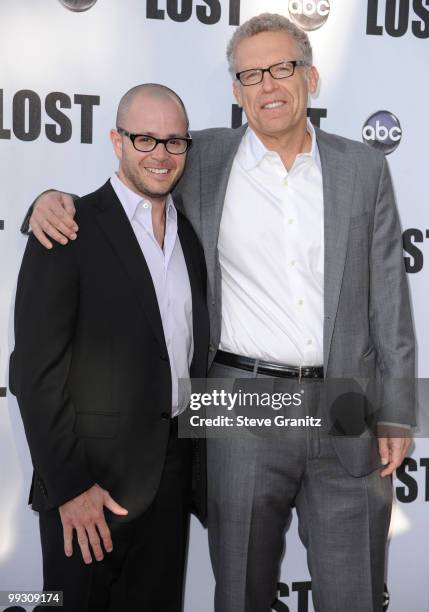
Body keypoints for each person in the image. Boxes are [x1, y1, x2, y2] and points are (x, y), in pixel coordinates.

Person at [23, 13, 415, 612]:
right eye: (251, 74)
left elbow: (390, 293)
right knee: (238, 591)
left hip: (345, 400)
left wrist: (398, 411)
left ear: (310, 76)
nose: (269, 86)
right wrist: (44, 202)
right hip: (237, 397)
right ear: (236, 91)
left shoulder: (363, 168)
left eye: (282, 68)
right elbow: (129, 182)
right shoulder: (198, 156)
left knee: (354, 593)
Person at [10, 83, 209, 612]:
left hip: (170, 479)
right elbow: (34, 373)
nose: (161, 155)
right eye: (145, 139)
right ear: (116, 141)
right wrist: (71, 488)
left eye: (174, 141)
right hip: (89, 488)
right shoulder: (67, 226)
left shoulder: (188, 237)